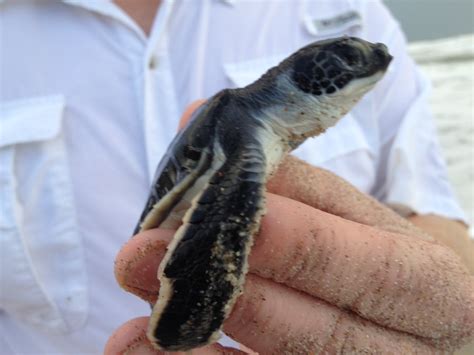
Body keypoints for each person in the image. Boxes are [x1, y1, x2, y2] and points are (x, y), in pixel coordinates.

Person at [0, 0, 472, 354]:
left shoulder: (345, 7)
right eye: (347, 59)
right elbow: (226, 217)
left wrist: (444, 311)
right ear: (305, 81)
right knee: (236, 212)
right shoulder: (247, 134)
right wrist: (189, 321)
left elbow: (431, 210)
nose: (373, 55)